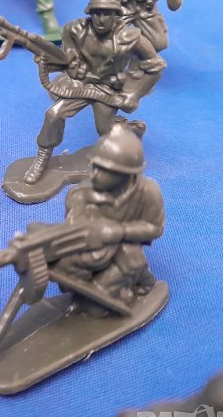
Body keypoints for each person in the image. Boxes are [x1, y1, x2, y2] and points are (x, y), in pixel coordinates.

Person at [23, 0, 166, 184]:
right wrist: (47, 62)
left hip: (108, 90)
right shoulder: (75, 30)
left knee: (105, 130)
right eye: (96, 12)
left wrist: (134, 95)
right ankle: (42, 158)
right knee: (53, 114)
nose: (100, 19)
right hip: (80, 85)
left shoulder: (131, 37)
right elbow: (67, 59)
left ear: (117, 14)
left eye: (107, 13)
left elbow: (156, 66)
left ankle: (132, 130)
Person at [55, 125, 164, 314]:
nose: (94, 175)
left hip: (124, 253)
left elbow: (154, 228)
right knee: (65, 274)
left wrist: (119, 231)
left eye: (105, 170)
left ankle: (136, 283)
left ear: (128, 173)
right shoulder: (80, 193)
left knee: (96, 307)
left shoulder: (148, 192)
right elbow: (72, 228)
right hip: (92, 253)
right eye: (94, 166)